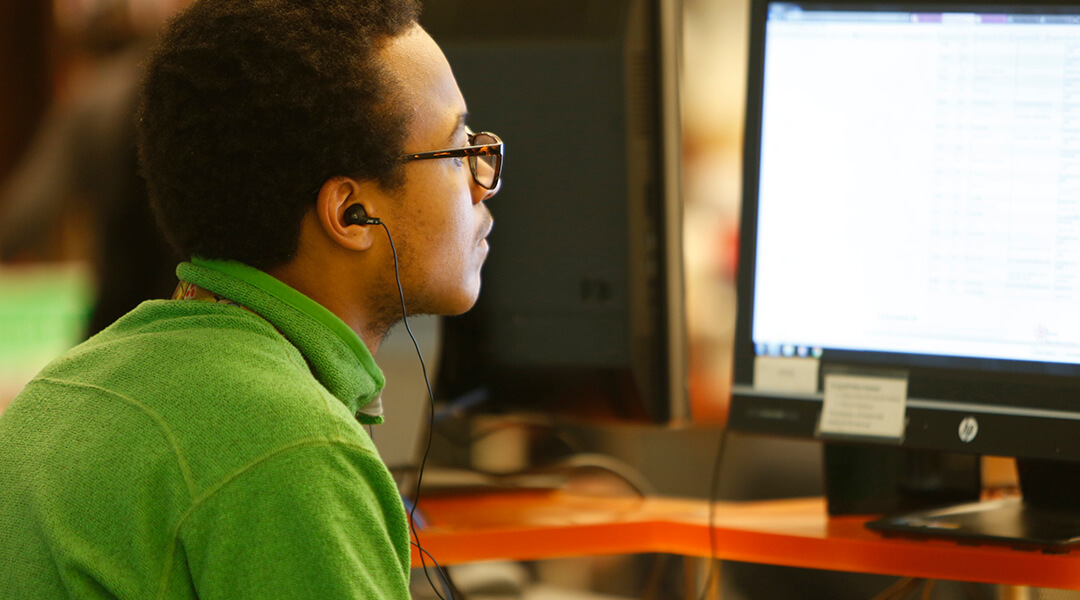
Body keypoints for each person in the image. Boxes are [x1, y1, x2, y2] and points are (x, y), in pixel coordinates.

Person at [0, 0, 502, 598]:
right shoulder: (295, 452)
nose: (483, 177)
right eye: (458, 149)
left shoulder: (53, 399)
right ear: (351, 213)